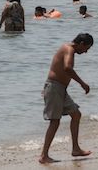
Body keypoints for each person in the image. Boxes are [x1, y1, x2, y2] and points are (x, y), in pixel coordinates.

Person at [39, 33, 93, 163]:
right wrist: (82, 83)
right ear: (81, 44)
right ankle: (44, 156)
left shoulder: (68, 49)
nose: (85, 52)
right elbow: (67, 68)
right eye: (86, 48)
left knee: (76, 114)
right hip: (54, 88)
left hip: (60, 89)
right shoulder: (69, 49)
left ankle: (75, 149)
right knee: (55, 121)